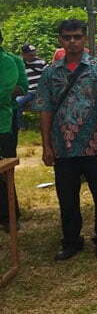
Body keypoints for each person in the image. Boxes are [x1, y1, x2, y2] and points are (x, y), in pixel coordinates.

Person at [34, 19, 97, 260]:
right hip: (63, 147)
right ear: (60, 40)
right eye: (67, 37)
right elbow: (45, 109)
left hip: (96, 144)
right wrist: (46, 145)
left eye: (77, 37)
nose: (72, 41)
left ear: (85, 39)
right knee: (67, 197)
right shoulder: (51, 72)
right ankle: (71, 241)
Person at [0, 28, 26, 233]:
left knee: (4, 172)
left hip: (3, 125)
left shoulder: (9, 62)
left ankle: (9, 216)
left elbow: (16, 89)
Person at [16, 44, 47, 125]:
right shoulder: (20, 64)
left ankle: (45, 125)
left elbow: (48, 77)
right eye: (30, 54)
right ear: (23, 54)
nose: (33, 56)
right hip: (27, 91)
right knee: (17, 102)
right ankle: (19, 125)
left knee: (46, 105)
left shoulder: (41, 62)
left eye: (34, 53)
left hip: (40, 91)